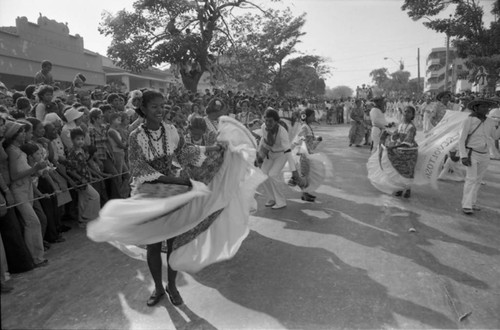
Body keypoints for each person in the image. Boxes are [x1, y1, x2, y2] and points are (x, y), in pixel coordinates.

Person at [458, 99, 500, 214]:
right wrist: (463, 156)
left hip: (485, 155)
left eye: (487, 107)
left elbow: (495, 137)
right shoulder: (468, 120)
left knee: (478, 180)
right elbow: (461, 140)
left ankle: (472, 202)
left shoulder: (490, 121)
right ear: (476, 108)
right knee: (471, 179)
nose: (486, 109)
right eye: (483, 107)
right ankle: (466, 205)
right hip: (472, 153)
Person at [367, 106, 419, 198]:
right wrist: (389, 134)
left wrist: (393, 146)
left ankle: (408, 189)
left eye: (409, 112)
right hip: (399, 149)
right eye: (405, 111)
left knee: (407, 171)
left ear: (413, 115)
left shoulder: (412, 127)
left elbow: (407, 142)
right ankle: (399, 188)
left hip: (408, 152)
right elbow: (396, 135)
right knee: (397, 170)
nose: (406, 113)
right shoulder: (401, 124)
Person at [257, 108, 299, 209]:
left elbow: (288, 151)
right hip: (270, 154)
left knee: (272, 174)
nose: (267, 123)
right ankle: (272, 198)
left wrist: (294, 171)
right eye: (266, 120)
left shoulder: (282, 131)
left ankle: (281, 201)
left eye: (270, 121)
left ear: (276, 121)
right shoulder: (263, 127)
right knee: (263, 174)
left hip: (281, 155)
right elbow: (263, 141)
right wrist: (259, 156)